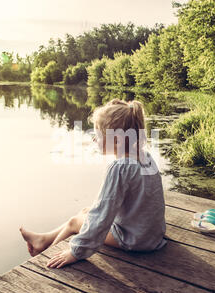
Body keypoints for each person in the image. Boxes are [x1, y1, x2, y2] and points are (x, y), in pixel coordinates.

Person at [20, 98, 167, 268]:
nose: (94, 140)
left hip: (134, 240)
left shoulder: (120, 167)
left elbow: (101, 216)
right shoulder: (145, 157)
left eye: (97, 136)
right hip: (150, 235)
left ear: (117, 140)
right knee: (85, 211)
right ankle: (43, 240)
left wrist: (76, 252)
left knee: (74, 222)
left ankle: (44, 258)